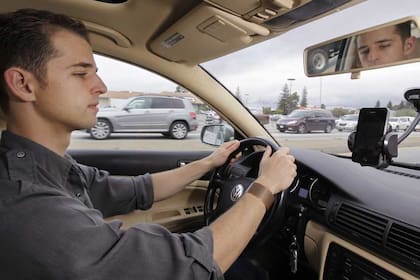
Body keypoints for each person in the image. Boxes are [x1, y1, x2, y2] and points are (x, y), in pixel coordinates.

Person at [0, 8, 297, 279]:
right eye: (80, 73)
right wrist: (266, 186)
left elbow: (139, 189)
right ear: (24, 84)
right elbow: (185, 268)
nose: (101, 87)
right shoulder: (25, 201)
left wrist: (208, 163)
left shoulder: (54, 170)